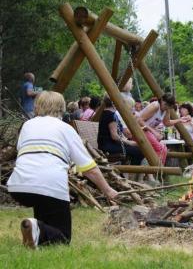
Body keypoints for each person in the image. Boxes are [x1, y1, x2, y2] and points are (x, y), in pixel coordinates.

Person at [7, 91, 117, 249]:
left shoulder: (27, 125)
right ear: (62, 108)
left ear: (38, 106)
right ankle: (37, 228)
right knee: (63, 238)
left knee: (44, 208)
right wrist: (108, 190)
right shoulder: (65, 129)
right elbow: (88, 168)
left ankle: (35, 230)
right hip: (49, 185)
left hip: (18, 186)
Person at [97, 95, 144, 165]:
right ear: (115, 102)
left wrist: (127, 141)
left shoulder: (107, 113)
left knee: (138, 149)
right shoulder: (111, 115)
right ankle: (132, 172)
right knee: (140, 151)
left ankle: (130, 171)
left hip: (106, 145)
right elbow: (114, 136)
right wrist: (129, 142)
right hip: (108, 147)